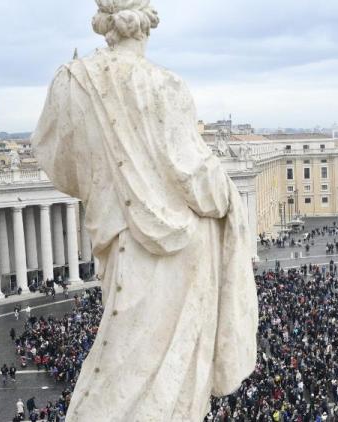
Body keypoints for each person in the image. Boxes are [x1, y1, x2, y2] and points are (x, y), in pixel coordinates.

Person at [30, 2, 258, 419]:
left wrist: (107, 186)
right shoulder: (164, 86)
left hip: (118, 237)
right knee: (153, 375)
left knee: (121, 360)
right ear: (146, 23)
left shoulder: (67, 82)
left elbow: (56, 160)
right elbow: (196, 181)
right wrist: (227, 196)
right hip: (177, 254)